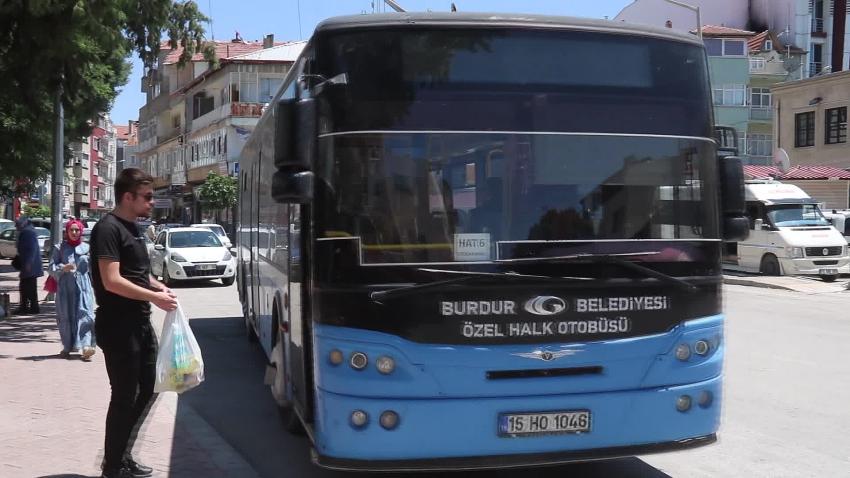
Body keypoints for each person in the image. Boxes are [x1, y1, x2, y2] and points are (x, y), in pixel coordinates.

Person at [90, 168, 178, 478]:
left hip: (139, 323)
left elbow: (137, 272)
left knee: (151, 386)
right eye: (147, 197)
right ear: (128, 197)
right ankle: (112, 466)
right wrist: (153, 298)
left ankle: (121, 453)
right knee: (124, 396)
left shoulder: (133, 227)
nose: (152, 202)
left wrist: (156, 286)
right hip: (118, 325)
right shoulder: (108, 229)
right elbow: (111, 280)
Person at [49, 219, 96, 360]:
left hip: (83, 287)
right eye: (72, 230)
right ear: (67, 231)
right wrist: (63, 268)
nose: (74, 232)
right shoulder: (60, 248)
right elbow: (50, 268)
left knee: (86, 314)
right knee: (66, 316)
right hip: (65, 288)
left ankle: (87, 347)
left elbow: (93, 270)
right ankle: (67, 346)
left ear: (81, 231)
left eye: (77, 230)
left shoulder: (87, 248)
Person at [13, 216, 44, 315]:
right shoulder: (28, 232)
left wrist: (28, 263)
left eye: (17, 225)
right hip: (29, 265)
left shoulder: (28, 233)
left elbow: (31, 249)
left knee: (26, 287)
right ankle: (29, 307)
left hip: (29, 266)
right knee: (29, 287)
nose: (16, 227)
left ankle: (26, 308)